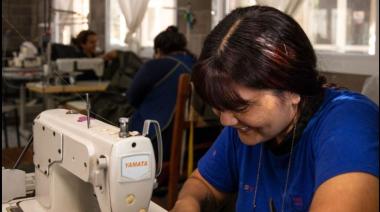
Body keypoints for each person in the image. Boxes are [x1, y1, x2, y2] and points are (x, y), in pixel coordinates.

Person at [170, 6, 379, 212]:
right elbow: (203, 183)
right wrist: (188, 203)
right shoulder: (243, 127)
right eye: (218, 107)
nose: (225, 121)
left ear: (292, 89)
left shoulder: (349, 123)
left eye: (241, 106)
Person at [127, 26, 196, 161]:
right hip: (192, 139)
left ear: (158, 50)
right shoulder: (196, 63)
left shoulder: (155, 65)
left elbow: (131, 97)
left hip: (160, 138)